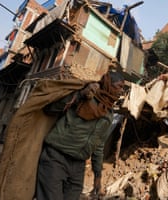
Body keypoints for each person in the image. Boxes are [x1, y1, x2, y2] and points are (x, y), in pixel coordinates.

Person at [35, 70, 125, 200]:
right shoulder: (85, 94)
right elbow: (51, 108)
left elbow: (99, 146)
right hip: (56, 158)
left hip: (78, 166)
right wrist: (80, 95)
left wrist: (98, 177)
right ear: (108, 84)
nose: (121, 91)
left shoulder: (108, 114)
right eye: (119, 86)